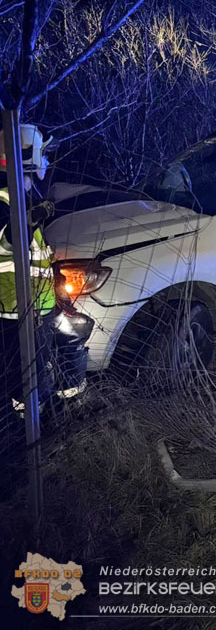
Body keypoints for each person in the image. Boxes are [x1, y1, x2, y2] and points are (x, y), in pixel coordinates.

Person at [0, 124, 88, 418]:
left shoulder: (21, 196)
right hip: (18, 310)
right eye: (43, 153)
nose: (47, 160)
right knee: (30, 375)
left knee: (72, 338)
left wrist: (57, 281)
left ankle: (70, 405)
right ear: (27, 156)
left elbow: (36, 255)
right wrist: (29, 218)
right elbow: (9, 241)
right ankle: (34, 426)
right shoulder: (3, 201)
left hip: (41, 303)